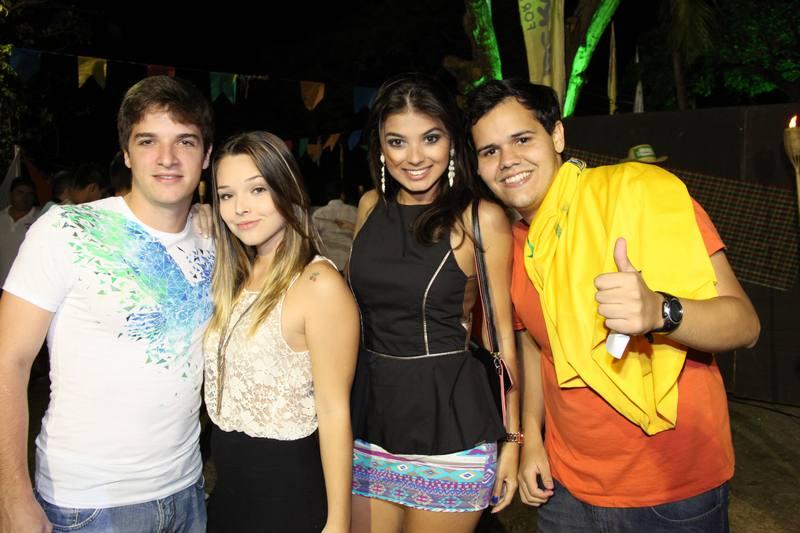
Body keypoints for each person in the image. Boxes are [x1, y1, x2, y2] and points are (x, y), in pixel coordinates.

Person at [464, 79, 760, 532]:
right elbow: (536, 348)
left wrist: (660, 311)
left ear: (557, 136)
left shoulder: (637, 197)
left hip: (669, 487)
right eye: (490, 151)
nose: (507, 161)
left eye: (522, 139)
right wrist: (531, 439)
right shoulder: (516, 244)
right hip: (566, 488)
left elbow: (745, 325)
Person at [0, 75, 215, 532]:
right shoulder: (66, 230)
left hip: (188, 492)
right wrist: (13, 496)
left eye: (185, 141)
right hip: (88, 505)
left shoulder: (217, 239)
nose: (167, 157)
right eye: (148, 141)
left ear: (207, 155)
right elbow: (8, 361)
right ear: (126, 153)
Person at [348, 73, 521, 533]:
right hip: (368, 427)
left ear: (452, 141)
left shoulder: (479, 219)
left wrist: (515, 439)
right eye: (397, 142)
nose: (414, 157)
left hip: (451, 430)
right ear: (380, 148)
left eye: (430, 138)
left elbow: (501, 338)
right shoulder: (369, 207)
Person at [203, 131, 358, 533]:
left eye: (257, 189)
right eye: (226, 195)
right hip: (230, 492)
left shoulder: (317, 283)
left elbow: (335, 412)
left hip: (289, 496)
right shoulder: (236, 275)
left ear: (285, 187)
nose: (240, 207)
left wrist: (338, 522)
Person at [311, 180, 358, 271]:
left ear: (327, 196)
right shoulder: (356, 211)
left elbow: (313, 240)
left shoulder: (318, 214)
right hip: (349, 264)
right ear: (342, 195)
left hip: (328, 264)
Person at [0, 176, 38, 285]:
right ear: (11, 194)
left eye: (30, 194)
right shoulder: (1, 217)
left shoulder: (41, 218)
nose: (25, 197)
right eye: (20, 192)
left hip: (27, 285)